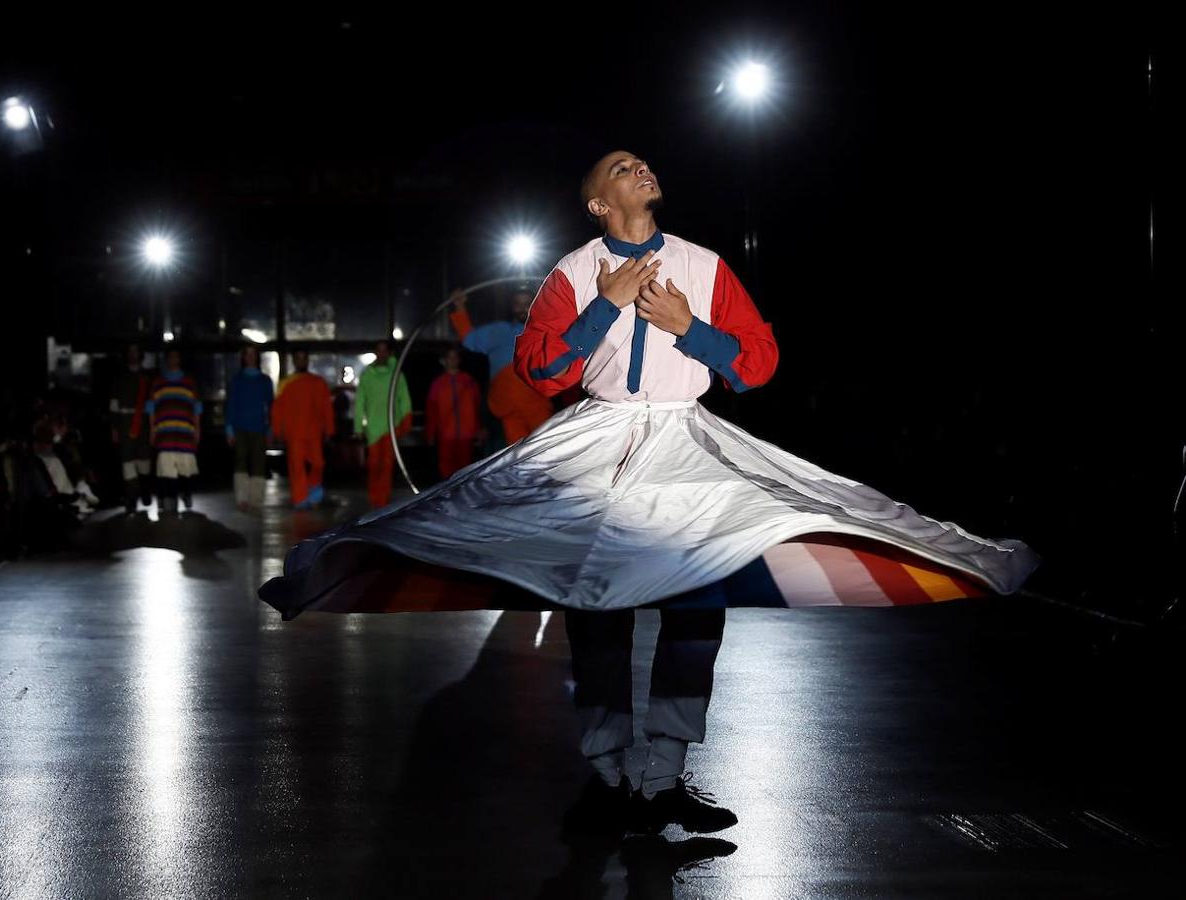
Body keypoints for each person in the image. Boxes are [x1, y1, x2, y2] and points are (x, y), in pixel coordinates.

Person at [260, 151, 1039, 836]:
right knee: (594, 607)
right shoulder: (571, 272)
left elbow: (758, 363)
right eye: (621, 168)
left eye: (643, 164)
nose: (641, 170)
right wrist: (606, 303)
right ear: (599, 203)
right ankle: (609, 780)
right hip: (596, 440)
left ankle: (664, 778)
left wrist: (686, 324)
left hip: (684, 441)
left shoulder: (703, 265)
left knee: (696, 604)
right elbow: (542, 370)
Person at [448, 288, 553, 444]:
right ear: (512, 307)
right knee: (515, 457)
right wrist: (459, 306)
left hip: (537, 403)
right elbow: (469, 338)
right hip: (507, 405)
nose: (523, 308)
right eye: (518, 304)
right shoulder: (499, 331)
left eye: (527, 304)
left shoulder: (548, 332)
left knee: (544, 451)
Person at [271, 350, 336, 510]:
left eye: (303, 358)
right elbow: (278, 409)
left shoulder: (318, 382)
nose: (301, 361)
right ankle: (300, 499)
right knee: (296, 465)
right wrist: (277, 430)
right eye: (298, 358)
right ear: (294, 360)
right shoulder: (285, 383)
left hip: (314, 431)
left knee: (318, 463)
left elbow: (326, 407)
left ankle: (313, 490)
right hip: (294, 432)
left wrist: (329, 430)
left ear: (308, 360)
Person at [352, 339, 412, 508]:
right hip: (373, 428)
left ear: (389, 353)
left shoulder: (397, 374)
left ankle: (382, 501)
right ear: (375, 352)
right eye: (379, 350)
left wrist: (405, 422)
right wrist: (358, 427)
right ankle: (375, 499)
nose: (382, 353)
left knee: (386, 465)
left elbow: (404, 399)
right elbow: (359, 402)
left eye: (385, 350)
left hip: (391, 427)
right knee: (374, 465)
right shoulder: (367, 374)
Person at [146, 348, 202, 515]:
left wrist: (197, 429)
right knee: (166, 467)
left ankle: (186, 493)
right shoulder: (158, 383)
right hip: (165, 432)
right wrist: (152, 430)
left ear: (179, 359)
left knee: (186, 467)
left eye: (176, 356)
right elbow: (151, 408)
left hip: (185, 431)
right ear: (167, 359)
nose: (173, 359)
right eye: (170, 356)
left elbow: (197, 408)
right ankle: (169, 499)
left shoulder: (189, 382)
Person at [226, 345, 275, 512]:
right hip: (239, 427)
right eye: (247, 354)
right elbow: (231, 405)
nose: (250, 357)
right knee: (240, 462)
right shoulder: (237, 380)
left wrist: (270, 429)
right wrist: (229, 429)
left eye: (253, 354)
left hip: (260, 428)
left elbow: (270, 407)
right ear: (243, 357)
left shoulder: (265, 381)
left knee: (259, 463)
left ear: (257, 357)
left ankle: (256, 499)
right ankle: (241, 498)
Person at [425, 346, 483, 479]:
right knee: (446, 471)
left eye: (455, 357)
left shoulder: (469, 381)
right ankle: (448, 497)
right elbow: (431, 410)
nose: (453, 360)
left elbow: (478, 407)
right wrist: (430, 433)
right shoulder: (438, 384)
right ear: (444, 360)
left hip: (466, 434)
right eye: (449, 357)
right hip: (446, 434)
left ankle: (463, 498)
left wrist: (479, 429)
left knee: (465, 471)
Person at [109, 343, 153, 514]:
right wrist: (114, 427)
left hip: (143, 422)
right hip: (125, 423)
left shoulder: (147, 377)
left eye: (136, 351)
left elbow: (152, 401)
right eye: (131, 351)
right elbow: (113, 405)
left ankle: (145, 489)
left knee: (144, 460)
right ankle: (132, 497)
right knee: (127, 462)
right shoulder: (120, 378)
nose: (133, 354)